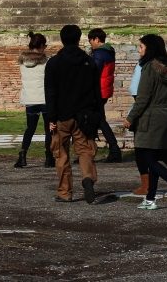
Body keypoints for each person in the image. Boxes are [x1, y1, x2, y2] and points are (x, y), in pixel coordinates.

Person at [125, 34, 167, 210]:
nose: (139, 50)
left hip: (150, 117)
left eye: (141, 46)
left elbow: (143, 98)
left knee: (146, 157)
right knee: (154, 156)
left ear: (150, 48)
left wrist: (130, 118)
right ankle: (150, 198)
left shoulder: (149, 68)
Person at [44, 24, 100, 204]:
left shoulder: (54, 63)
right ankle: (87, 178)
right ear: (79, 39)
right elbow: (96, 91)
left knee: (61, 154)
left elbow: (50, 92)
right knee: (84, 151)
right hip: (84, 114)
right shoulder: (88, 62)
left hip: (62, 115)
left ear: (62, 40)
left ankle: (65, 192)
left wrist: (51, 117)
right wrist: (96, 114)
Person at [14, 32, 53, 169]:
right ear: (42, 45)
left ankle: (23, 155)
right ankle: (49, 157)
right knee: (49, 129)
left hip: (30, 99)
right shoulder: (47, 62)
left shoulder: (23, 63)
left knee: (30, 129)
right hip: (44, 99)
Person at [87, 28, 122, 163]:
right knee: (96, 120)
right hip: (104, 90)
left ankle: (114, 150)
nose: (91, 44)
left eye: (91, 41)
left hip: (98, 91)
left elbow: (92, 72)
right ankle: (89, 152)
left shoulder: (100, 54)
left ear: (96, 39)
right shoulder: (108, 51)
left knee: (98, 120)